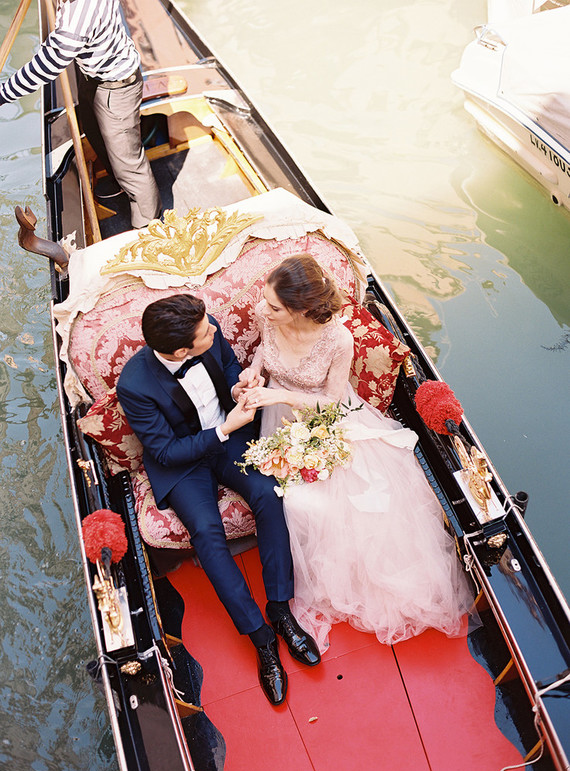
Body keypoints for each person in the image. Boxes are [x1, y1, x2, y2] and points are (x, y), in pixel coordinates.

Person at [241, 254, 474, 651]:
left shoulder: (338, 338)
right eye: (266, 300)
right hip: (278, 417)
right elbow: (266, 351)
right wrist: (253, 371)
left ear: (301, 308)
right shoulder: (269, 317)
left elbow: (331, 404)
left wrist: (277, 393)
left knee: (332, 504)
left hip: (326, 419)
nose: (263, 309)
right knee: (296, 501)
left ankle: (351, 576)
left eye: (274, 305)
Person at [116, 294, 320, 705]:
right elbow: (167, 452)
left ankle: (279, 609)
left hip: (229, 436)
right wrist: (224, 429)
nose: (214, 329)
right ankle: (261, 639)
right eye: (207, 332)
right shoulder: (133, 385)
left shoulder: (206, 329)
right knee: (207, 534)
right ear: (180, 351)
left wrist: (237, 384)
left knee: (267, 492)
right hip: (182, 462)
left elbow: (227, 367)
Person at [0, 0, 161, 228]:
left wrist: (3, 94)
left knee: (129, 166)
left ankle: (149, 226)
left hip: (117, 86)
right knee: (94, 134)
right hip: (93, 75)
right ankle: (118, 183)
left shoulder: (77, 21)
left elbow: (49, 62)